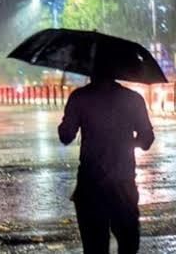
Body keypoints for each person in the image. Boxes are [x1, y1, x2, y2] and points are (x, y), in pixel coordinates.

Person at [58, 70, 154, 254]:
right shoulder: (132, 98)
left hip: (90, 183)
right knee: (128, 243)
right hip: (123, 183)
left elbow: (66, 136)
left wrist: (68, 119)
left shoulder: (80, 97)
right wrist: (126, 142)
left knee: (94, 246)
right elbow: (147, 140)